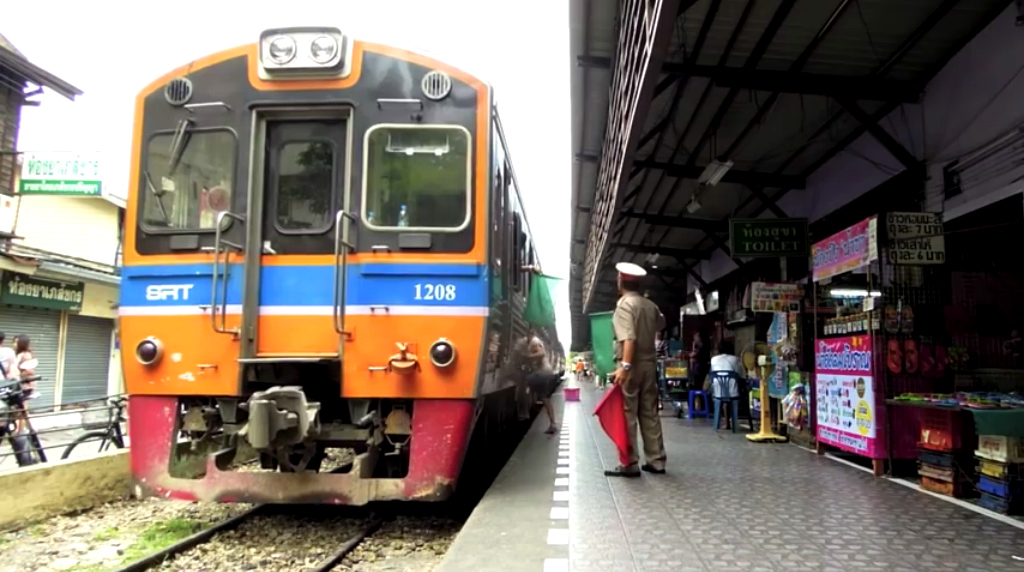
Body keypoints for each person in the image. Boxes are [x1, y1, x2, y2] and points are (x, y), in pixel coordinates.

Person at [606, 262, 667, 477]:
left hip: (631, 366)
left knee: (627, 415)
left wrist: (624, 366)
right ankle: (656, 461)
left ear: (620, 281)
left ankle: (629, 464)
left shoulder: (624, 306)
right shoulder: (650, 306)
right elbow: (661, 324)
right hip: (650, 366)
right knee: (650, 413)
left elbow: (628, 339)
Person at [513, 330, 559, 434]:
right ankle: (553, 424)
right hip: (545, 373)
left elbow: (541, 353)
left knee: (523, 381)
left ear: (529, 335)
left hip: (542, 373)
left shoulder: (534, 341)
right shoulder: (534, 342)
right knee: (545, 399)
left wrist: (527, 357)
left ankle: (523, 412)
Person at [14, 335, 38, 399]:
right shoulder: (26, 353)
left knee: (22, 402)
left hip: (25, 383)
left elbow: (29, 371)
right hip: (26, 383)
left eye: (16, 342)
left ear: (21, 344)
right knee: (22, 402)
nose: (14, 344)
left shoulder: (24, 355)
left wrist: (19, 374)